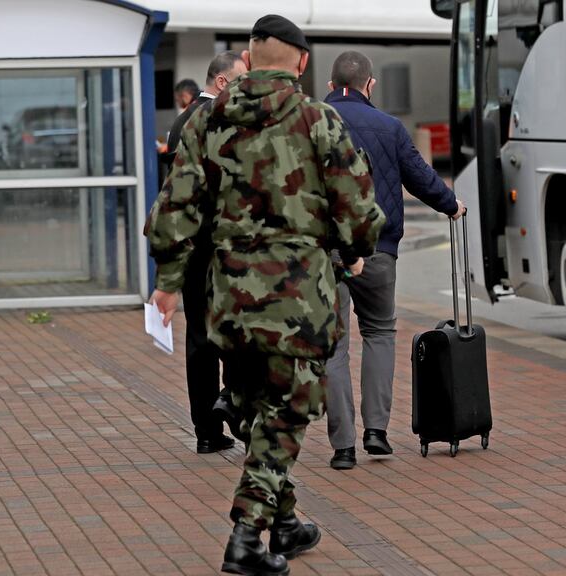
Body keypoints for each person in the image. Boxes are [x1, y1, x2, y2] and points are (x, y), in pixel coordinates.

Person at [146, 14, 383, 576]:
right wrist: (353, 250)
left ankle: (286, 523)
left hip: (229, 296)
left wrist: (168, 282)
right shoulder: (317, 119)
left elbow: (174, 209)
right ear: (302, 62)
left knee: (260, 410)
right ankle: (246, 537)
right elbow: (358, 208)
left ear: (248, 61)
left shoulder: (209, 120)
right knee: (285, 413)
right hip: (298, 299)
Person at [321, 50, 466, 470]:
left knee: (335, 344)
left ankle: (343, 446)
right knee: (380, 333)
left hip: (325, 251)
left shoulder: (313, 123)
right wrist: (450, 205)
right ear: (370, 85)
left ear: (331, 86)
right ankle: (376, 432)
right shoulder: (389, 127)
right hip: (379, 249)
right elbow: (421, 177)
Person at [159, 50, 249, 454]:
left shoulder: (180, 122)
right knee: (233, 333)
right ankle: (231, 407)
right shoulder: (217, 120)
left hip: (191, 249)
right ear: (223, 82)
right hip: (221, 247)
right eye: (242, 78)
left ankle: (207, 431)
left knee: (199, 339)